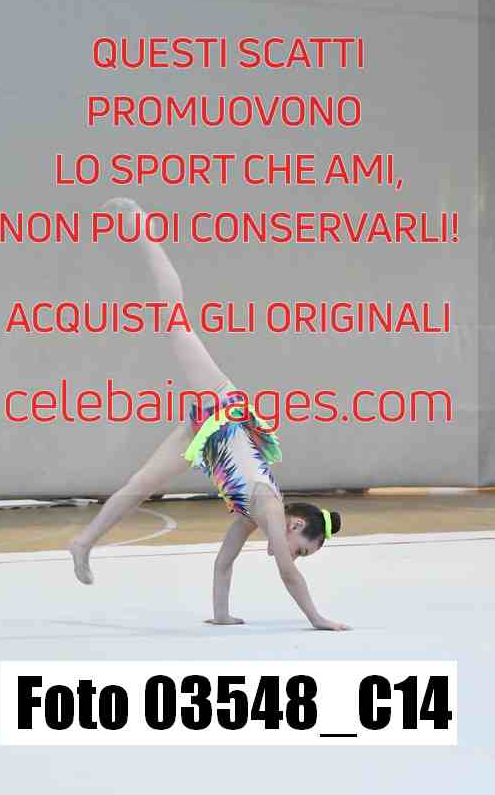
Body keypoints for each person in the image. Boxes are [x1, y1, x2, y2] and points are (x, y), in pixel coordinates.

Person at [69, 198, 350, 631]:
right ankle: (141, 227)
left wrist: (221, 616)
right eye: (300, 548)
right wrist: (317, 619)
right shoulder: (269, 507)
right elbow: (287, 575)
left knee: (140, 486)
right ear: (295, 525)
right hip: (220, 402)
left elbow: (223, 563)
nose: (292, 556)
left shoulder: (250, 516)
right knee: (174, 319)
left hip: (204, 435)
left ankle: (83, 542)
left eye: (299, 555)